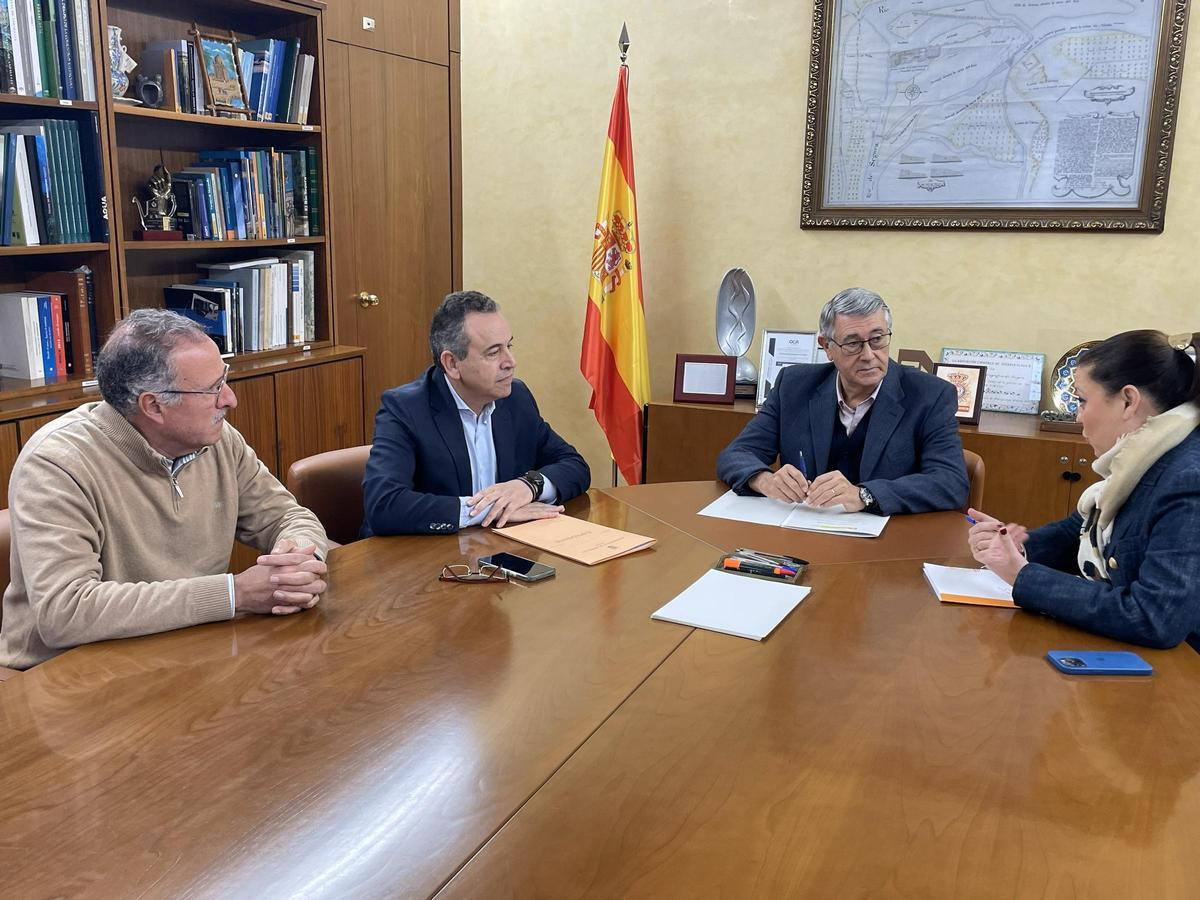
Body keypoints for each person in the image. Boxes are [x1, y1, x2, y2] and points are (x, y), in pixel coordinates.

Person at [0, 310, 329, 670]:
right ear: (153, 405)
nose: (230, 399)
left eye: (225, 380)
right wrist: (235, 594)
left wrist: (298, 564)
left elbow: (287, 516)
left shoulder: (217, 440)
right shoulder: (57, 464)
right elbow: (67, 612)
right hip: (65, 676)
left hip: (186, 653)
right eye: (212, 389)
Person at [969, 330, 1200, 650]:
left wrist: (1023, 576)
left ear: (1128, 401)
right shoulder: (1149, 455)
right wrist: (1013, 548)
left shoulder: (1188, 478)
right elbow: (1082, 530)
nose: (1077, 417)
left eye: (1082, 400)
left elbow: (1155, 618)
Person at [716, 288, 968, 514]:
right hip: (805, 532)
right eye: (853, 343)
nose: (869, 355)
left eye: (877, 339)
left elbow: (950, 482)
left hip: (887, 543)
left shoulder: (930, 395)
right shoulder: (794, 385)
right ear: (826, 346)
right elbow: (737, 454)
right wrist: (765, 480)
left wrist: (864, 495)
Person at [361, 290, 591, 536]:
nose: (510, 361)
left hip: (499, 550)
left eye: (509, 346)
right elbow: (384, 505)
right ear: (452, 364)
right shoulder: (405, 408)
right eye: (493, 352)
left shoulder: (515, 397)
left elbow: (574, 465)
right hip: (422, 559)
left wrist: (528, 486)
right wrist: (489, 509)